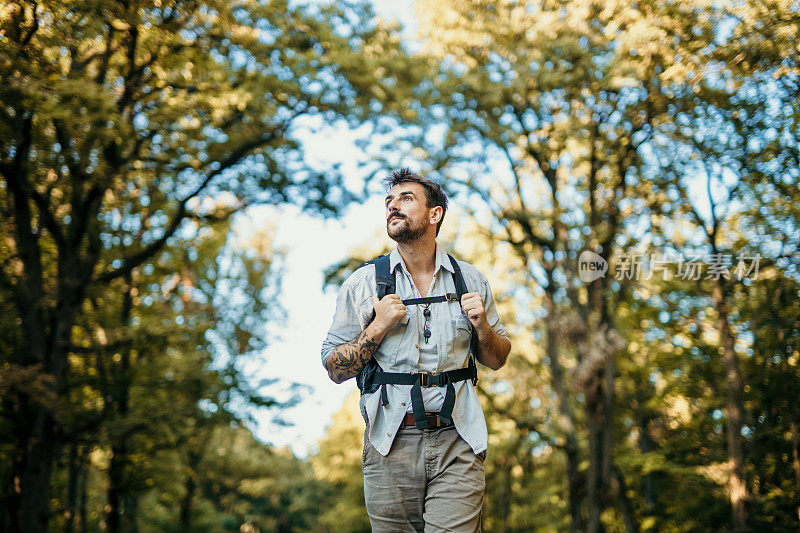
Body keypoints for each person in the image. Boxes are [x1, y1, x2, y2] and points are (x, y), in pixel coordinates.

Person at [320, 168, 512, 532]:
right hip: (390, 442)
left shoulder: (470, 279)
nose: (393, 206)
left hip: (458, 439)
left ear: (434, 214)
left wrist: (483, 327)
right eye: (389, 201)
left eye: (406, 199)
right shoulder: (365, 283)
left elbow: (497, 358)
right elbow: (334, 367)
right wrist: (377, 326)